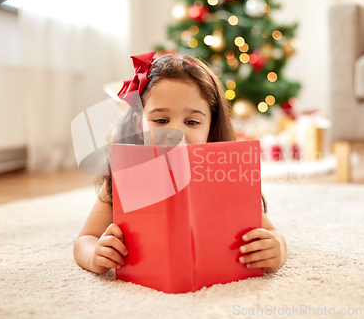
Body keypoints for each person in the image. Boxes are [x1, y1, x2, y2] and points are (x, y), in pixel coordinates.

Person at [73, 51, 287, 275]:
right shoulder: (124, 176)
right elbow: (86, 238)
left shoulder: (226, 176)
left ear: (211, 130)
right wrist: (95, 254)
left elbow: (275, 235)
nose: (176, 133)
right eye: (161, 120)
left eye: (192, 121)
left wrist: (277, 249)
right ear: (138, 125)